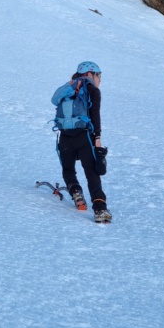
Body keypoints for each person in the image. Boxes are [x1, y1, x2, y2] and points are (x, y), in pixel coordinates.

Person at [56, 61, 112, 223]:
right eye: (98, 75)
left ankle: (76, 193)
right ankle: (100, 209)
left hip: (65, 136)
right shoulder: (92, 90)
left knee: (68, 169)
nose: (99, 80)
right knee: (91, 172)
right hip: (84, 136)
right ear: (89, 74)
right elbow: (95, 115)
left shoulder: (68, 88)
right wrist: (97, 138)